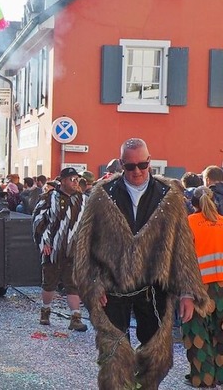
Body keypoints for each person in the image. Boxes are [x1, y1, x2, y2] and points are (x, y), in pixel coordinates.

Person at [73, 138, 211, 389]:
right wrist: (93, 284)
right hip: (112, 286)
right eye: (130, 166)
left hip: (153, 287)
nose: (137, 171)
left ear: (150, 161)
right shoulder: (102, 196)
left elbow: (183, 246)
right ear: (121, 165)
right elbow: (83, 245)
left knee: (158, 358)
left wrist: (188, 292)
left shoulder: (169, 196)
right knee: (113, 359)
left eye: (143, 164)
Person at [32, 167, 87, 332]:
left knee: (73, 285)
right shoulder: (49, 198)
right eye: (72, 179)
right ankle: (45, 311)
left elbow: (89, 224)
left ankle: (75, 318)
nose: (75, 182)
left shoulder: (84, 200)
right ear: (62, 180)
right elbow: (38, 220)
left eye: (77, 179)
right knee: (49, 284)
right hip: (53, 249)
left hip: (74, 251)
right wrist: (44, 242)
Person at [182, 186, 223, 387]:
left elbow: (184, 259)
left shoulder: (188, 223)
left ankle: (203, 378)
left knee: (197, 332)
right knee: (220, 331)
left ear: (193, 204)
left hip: (199, 286)